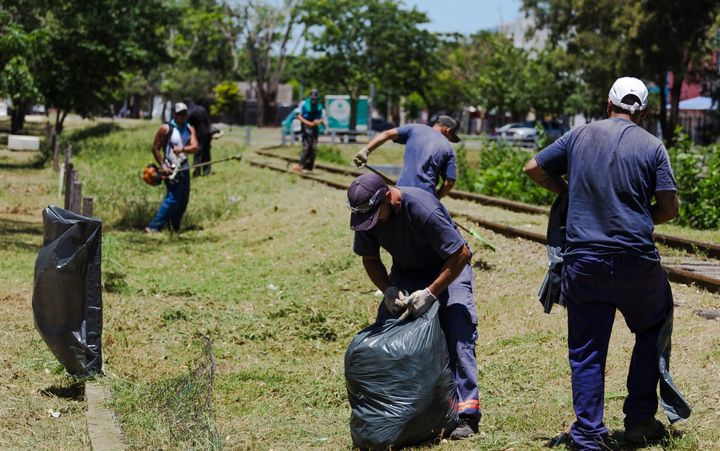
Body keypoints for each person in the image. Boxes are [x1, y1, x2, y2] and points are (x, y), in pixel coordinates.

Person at [524, 77, 680, 450]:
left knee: (587, 348)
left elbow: (533, 168)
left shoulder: (579, 136)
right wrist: (639, 218)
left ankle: (589, 435)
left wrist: (567, 191)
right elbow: (670, 208)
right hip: (636, 262)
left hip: (584, 263)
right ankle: (640, 421)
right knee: (652, 327)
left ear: (607, 103)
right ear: (641, 112)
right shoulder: (653, 146)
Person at [347, 173, 481, 440]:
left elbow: (461, 254)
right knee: (388, 330)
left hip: (449, 267)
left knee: (457, 328)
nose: (373, 224)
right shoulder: (368, 216)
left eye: (376, 216)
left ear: (388, 197)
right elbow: (370, 259)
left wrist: (431, 293)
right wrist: (389, 290)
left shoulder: (421, 208)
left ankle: (467, 414)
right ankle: (400, 407)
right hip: (407, 273)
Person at [353, 115, 460, 198]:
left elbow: (386, 134)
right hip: (426, 197)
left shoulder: (414, 128)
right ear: (448, 130)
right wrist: (437, 197)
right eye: (451, 137)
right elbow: (449, 182)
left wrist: (366, 151)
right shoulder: (449, 148)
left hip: (400, 192)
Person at [146, 102, 199, 233]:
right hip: (170, 169)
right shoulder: (166, 129)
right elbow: (155, 148)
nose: (182, 116)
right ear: (174, 114)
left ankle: (174, 227)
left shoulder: (189, 128)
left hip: (184, 168)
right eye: (179, 114)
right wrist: (163, 166)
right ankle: (153, 226)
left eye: (184, 114)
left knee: (183, 200)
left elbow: (195, 147)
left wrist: (182, 149)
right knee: (172, 199)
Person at [297, 88, 324, 170]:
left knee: (313, 147)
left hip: (315, 126)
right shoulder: (303, 104)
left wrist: (317, 122)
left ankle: (309, 167)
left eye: (315, 98)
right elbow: (298, 116)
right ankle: (300, 165)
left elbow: (322, 119)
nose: (313, 99)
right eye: (312, 97)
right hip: (305, 125)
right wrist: (308, 123)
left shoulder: (319, 106)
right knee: (307, 146)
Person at [185, 99, 213, 176]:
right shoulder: (202, 109)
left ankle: (197, 171)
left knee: (198, 153)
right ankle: (207, 171)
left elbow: (188, 125)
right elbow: (208, 121)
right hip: (207, 133)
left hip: (199, 134)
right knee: (206, 152)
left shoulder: (191, 112)